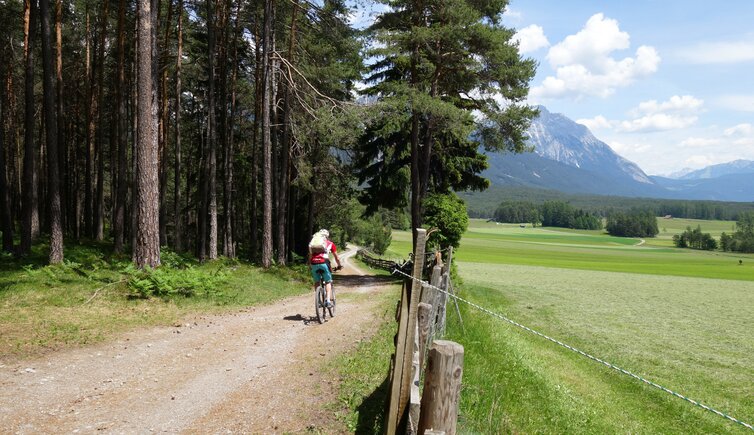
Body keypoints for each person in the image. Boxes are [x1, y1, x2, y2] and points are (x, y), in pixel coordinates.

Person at [308, 229, 342, 307]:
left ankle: (318, 301)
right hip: (324, 262)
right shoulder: (330, 244)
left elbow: (310, 256)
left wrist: (310, 265)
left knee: (317, 282)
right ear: (327, 236)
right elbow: (337, 258)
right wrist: (339, 265)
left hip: (314, 262)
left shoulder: (313, 244)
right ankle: (328, 301)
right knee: (328, 281)